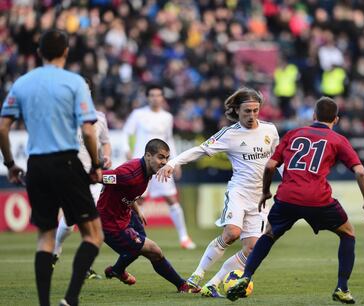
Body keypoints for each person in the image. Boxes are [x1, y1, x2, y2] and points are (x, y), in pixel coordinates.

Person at [226, 97, 364, 304]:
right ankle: (342, 287)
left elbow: (270, 166)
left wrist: (266, 192)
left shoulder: (294, 133)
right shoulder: (338, 140)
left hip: (287, 197)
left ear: (313, 116)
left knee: (268, 234)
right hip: (319, 200)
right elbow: (360, 172)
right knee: (348, 233)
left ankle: (245, 276)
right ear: (336, 119)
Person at [0, 29, 104, 306]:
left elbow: (3, 126)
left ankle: (44, 303)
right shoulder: (74, 82)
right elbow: (89, 131)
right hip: (67, 162)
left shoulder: (22, 83)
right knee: (93, 234)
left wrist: (10, 163)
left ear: (38, 53)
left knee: (45, 237)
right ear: (66, 52)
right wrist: (95, 164)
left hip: (36, 165)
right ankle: (70, 299)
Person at [156, 87, 281, 298]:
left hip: (261, 198)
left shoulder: (270, 131)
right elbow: (200, 150)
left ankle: (212, 284)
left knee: (252, 250)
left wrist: (290, 181)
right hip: (239, 192)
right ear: (237, 111)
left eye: (255, 110)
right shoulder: (230, 134)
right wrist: (174, 162)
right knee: (231, 233)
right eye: (246, 111)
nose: (251, 115)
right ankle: (197, 274)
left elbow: (279, 161)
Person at [97, 138, 200, 293]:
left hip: (127, 214)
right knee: (153, 250)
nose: (164, 162)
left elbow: (126, 192)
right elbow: (100, 177)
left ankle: (116, 270)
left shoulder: (146, 171)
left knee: (140, 247)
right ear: (148, 156)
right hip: (110, 224)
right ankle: (182, 285)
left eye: (167, 158)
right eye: (160, 157)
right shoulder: (129, 173)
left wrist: (137, 210)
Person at [53, 76, 112, 280]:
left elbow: (105, 142)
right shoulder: (64, 115)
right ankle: (56, 249)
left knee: (93, 220)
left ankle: (84, 266)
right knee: (70, 223)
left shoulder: (100, 117)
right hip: (71, 174)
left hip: (93, 176)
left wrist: (108, 156)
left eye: (85, 89)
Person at [123, 84, 196, 250]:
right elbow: (126, 133)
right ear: (147, 97)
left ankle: (184, 238)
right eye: (152, 95)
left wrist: (174, 162)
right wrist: (127, 151)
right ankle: (133, 236)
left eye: (158, 95)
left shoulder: (167, 117)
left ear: (162, 98)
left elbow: (169, 140)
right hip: (142, 164)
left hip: (161, 166)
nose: (155, 98)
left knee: (171, 198)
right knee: (137, 200)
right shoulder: (138, 114)